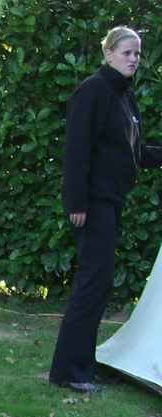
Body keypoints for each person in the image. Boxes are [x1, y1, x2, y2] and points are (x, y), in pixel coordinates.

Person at [50, 25, 162, 393]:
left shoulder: (124, 96)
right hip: (93, 203)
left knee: (99, 283)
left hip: (111, 201)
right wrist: (76, 201)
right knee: (92, 282)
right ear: (109, 53)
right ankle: (69, 371)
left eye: (137, 53)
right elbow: (77, 149)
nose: (133, 59)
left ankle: (81, 365)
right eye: (127, 52)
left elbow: (134, 152)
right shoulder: (93, 91)